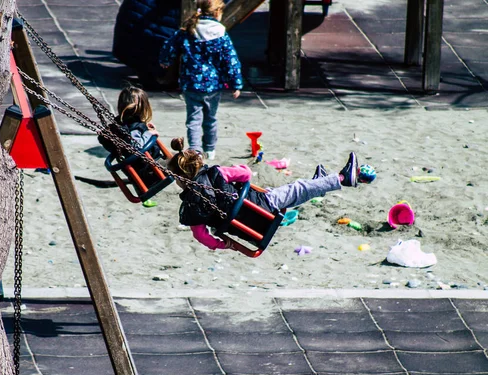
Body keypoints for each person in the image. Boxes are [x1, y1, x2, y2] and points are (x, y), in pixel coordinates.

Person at [166, 137, 360, 251]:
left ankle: (320, 183)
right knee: (295, 189)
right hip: (263, 206)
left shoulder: (189, 208)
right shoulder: (215, 174)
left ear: (179, 178)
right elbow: (246, 173)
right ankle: (342, 179)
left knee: (292, 191)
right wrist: (235, 181)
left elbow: (202, 237)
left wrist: (223, 244)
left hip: (250, 232)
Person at [159, 0, 243, 161]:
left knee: (193, 120)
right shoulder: (220, 33)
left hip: (190, 83)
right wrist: (236, 84)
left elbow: (169, 44)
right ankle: (210, 149)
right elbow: (231, 60)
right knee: (210, 118)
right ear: (218, 12)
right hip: (213, 86)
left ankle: (195, 151)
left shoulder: (189, 29)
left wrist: (165, 60)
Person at [98, 86, 164, 189]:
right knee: (179, 161)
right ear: (144, 107)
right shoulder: (133, 128)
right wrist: (149, 134)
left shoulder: (121, 125)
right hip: (151, 170)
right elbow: (136, 147)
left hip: (141, 171)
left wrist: (146, 130)